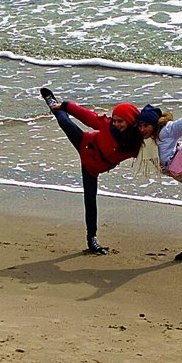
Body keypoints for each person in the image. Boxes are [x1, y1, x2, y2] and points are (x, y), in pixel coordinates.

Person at [39, 88, 141, 254]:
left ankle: (91, 239)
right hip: (84, 144)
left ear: (130, 121)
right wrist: (66, 105)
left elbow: (152, 150)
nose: (116, 124)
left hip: (92, 169)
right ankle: (54, 104)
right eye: (114, 120)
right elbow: (87, 116)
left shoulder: (135, 145)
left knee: (90, 201)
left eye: (120, 121)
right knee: (65, 122)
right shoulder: (107, 125)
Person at [135, 85, 182, 260]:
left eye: (145, 125)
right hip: (181, 172)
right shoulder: (146, 138)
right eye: (140, 126)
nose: (142, 129)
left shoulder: (167, 130)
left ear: (154, 124)